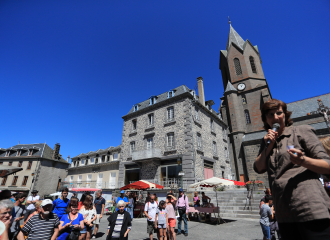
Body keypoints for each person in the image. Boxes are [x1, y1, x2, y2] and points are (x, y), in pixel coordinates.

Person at [254, 99, 330, 240]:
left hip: (309, 208)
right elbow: (259, 168)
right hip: (284, 213)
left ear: (285, 115)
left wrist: (304, 161)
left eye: (279, 113)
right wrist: (268, 146)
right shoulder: (266, 141)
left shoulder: (301, 132)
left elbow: (327, 164)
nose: (275, 117)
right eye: (270, 114)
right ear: (265, 119)